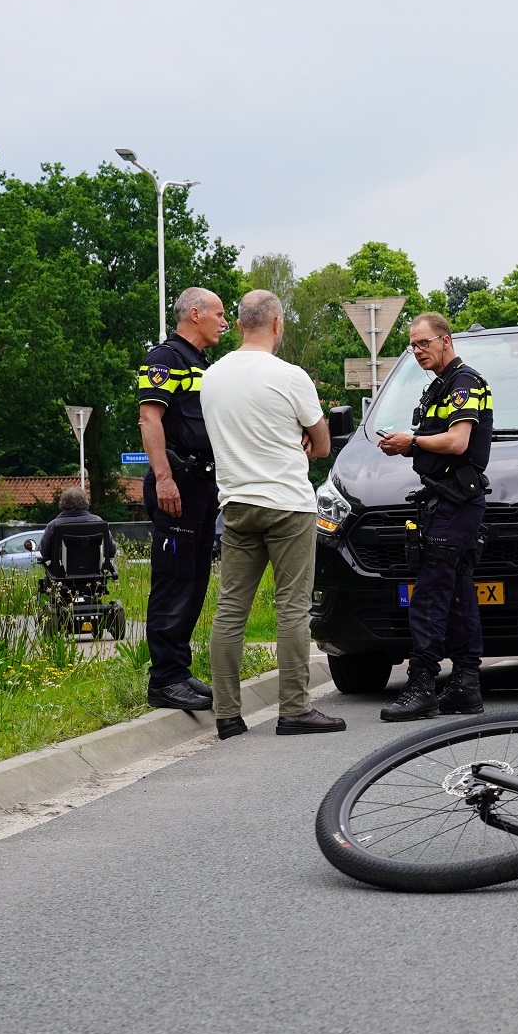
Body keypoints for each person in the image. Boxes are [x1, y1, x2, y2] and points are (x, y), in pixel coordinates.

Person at [199, 289, 347, 739]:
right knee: (292, 608)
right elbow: (321, 445)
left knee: (230, 609)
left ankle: (226, 714)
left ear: (240, 324)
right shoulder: (290, 376)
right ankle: (295, 709)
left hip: (237, 503)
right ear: (278, 324)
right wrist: (300, 438)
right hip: (287, 504)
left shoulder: (213, 378)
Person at [375, 312, 493, 722]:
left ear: (446, 340)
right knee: (459, 591)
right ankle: (465, 684)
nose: (417, 350)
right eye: (412, 344)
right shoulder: (441, 386)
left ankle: (423, 684)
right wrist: (408, 446)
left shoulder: (466, 383)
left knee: (429, 592)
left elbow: (459, 442)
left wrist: (412, 441)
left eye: (424, 343)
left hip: (458, 500)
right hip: (445, 498)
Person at [137, 288, 224, 711]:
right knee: (173, 582)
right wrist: (164, 478)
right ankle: (164, 680)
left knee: (194, 581)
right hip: (177, 485)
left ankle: (179, 671)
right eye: (219, 314)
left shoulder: (201, 364)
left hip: (203, 485)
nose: (224, 322)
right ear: (194, 314)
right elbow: (149, 419)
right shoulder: (163, 359)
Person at [37, 486, 116, 565]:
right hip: (94, 572)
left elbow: (44, 552)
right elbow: (112, 550)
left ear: (63, 503)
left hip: (61, 574)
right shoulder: (98, 522)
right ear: (85, 502)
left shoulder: (54, 525)